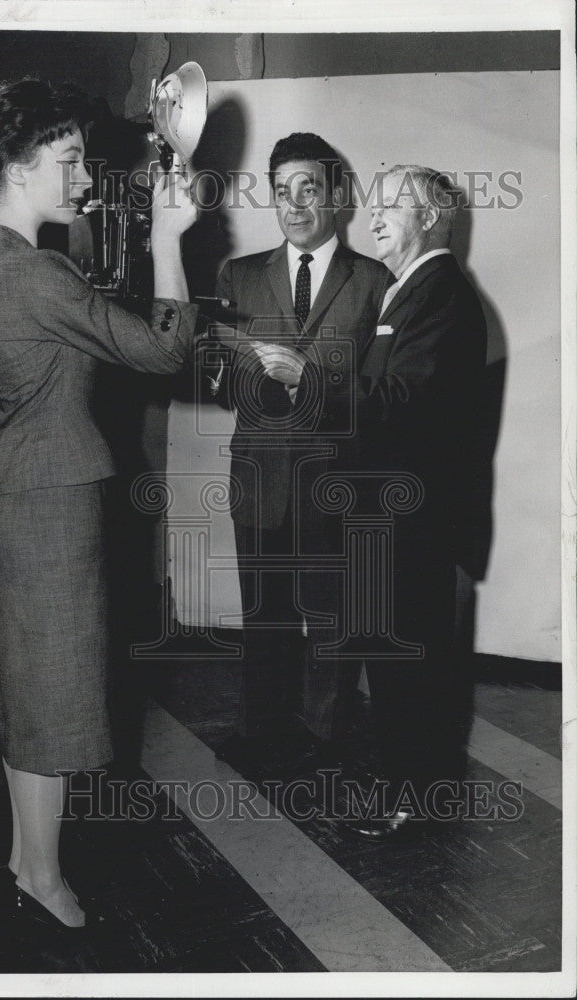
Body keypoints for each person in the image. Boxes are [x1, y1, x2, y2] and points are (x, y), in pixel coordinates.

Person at [0, 78, 198, 928]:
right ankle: (43, 876)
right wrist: (171, 239)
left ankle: (30, 857)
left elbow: (86, 328)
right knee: (51, 697)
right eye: (69, 162)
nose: (86, 179)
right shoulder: (32, 272)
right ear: (20, 168)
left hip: (31, 494)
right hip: (51, 505)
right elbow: (165, 351)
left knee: (35, 692)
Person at [293, 164, 487, 837]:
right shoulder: (411, 291)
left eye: (389, 208)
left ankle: (416, 801)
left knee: (409, 665)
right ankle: (409, 784)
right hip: (390, 522)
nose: (371, 218)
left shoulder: (439, 294)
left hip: (412, 527)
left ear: (430, 217)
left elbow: (404, 405)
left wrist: (310, 381)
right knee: (396, 662)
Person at [211, 133, 390, 762]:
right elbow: (217, 381)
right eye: (282, 191)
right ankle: (261, 728)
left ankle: (324, 735)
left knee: (331, 617)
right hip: (259, 472)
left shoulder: (375, 282)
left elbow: (382, 392)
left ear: (335, 196)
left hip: (335, 479)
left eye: (309, 188)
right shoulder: (238, 276)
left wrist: (307, 377)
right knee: (266, 612)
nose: (295, 204)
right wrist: (246, 366)